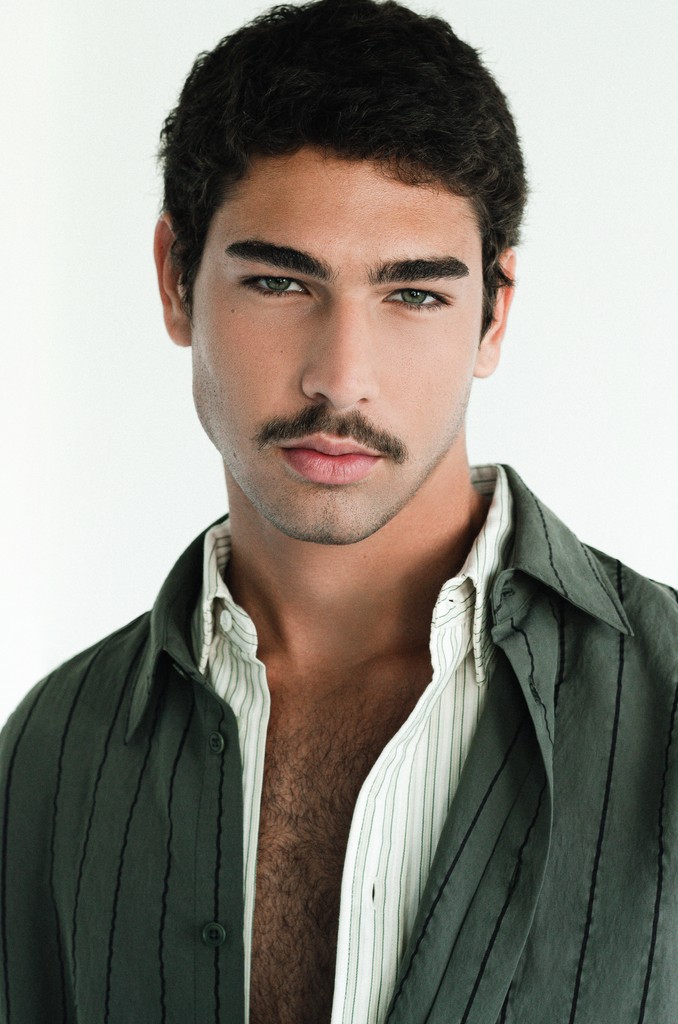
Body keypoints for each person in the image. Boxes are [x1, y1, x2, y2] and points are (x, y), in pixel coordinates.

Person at [1, 0, 676, 1021]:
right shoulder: (53, 753)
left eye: (414, 294)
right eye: (281, 282)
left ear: (495, 313)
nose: (341, 377)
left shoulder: (665, 707)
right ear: (176, 280)